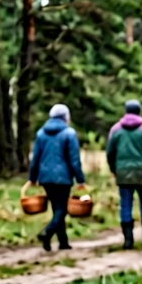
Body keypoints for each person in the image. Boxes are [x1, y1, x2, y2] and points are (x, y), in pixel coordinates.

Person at [107, 100, 142, 249]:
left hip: (123, 173)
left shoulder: (115, 129)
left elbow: (109, 152)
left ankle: (128, 240)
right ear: (139, 111)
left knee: (125, 205)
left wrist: (114, 169)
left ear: (126, 111)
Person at [28, 104, 86, 251]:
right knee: (62, 210)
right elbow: (74, 160)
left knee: (57, 209)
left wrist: (32, 177)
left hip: (45, 177)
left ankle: (62, 242)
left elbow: (35, 158)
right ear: (65, 117)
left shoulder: (41, 134)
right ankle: (47, 233)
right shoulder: (69, 133)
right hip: (63, 178)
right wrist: (80, 179)